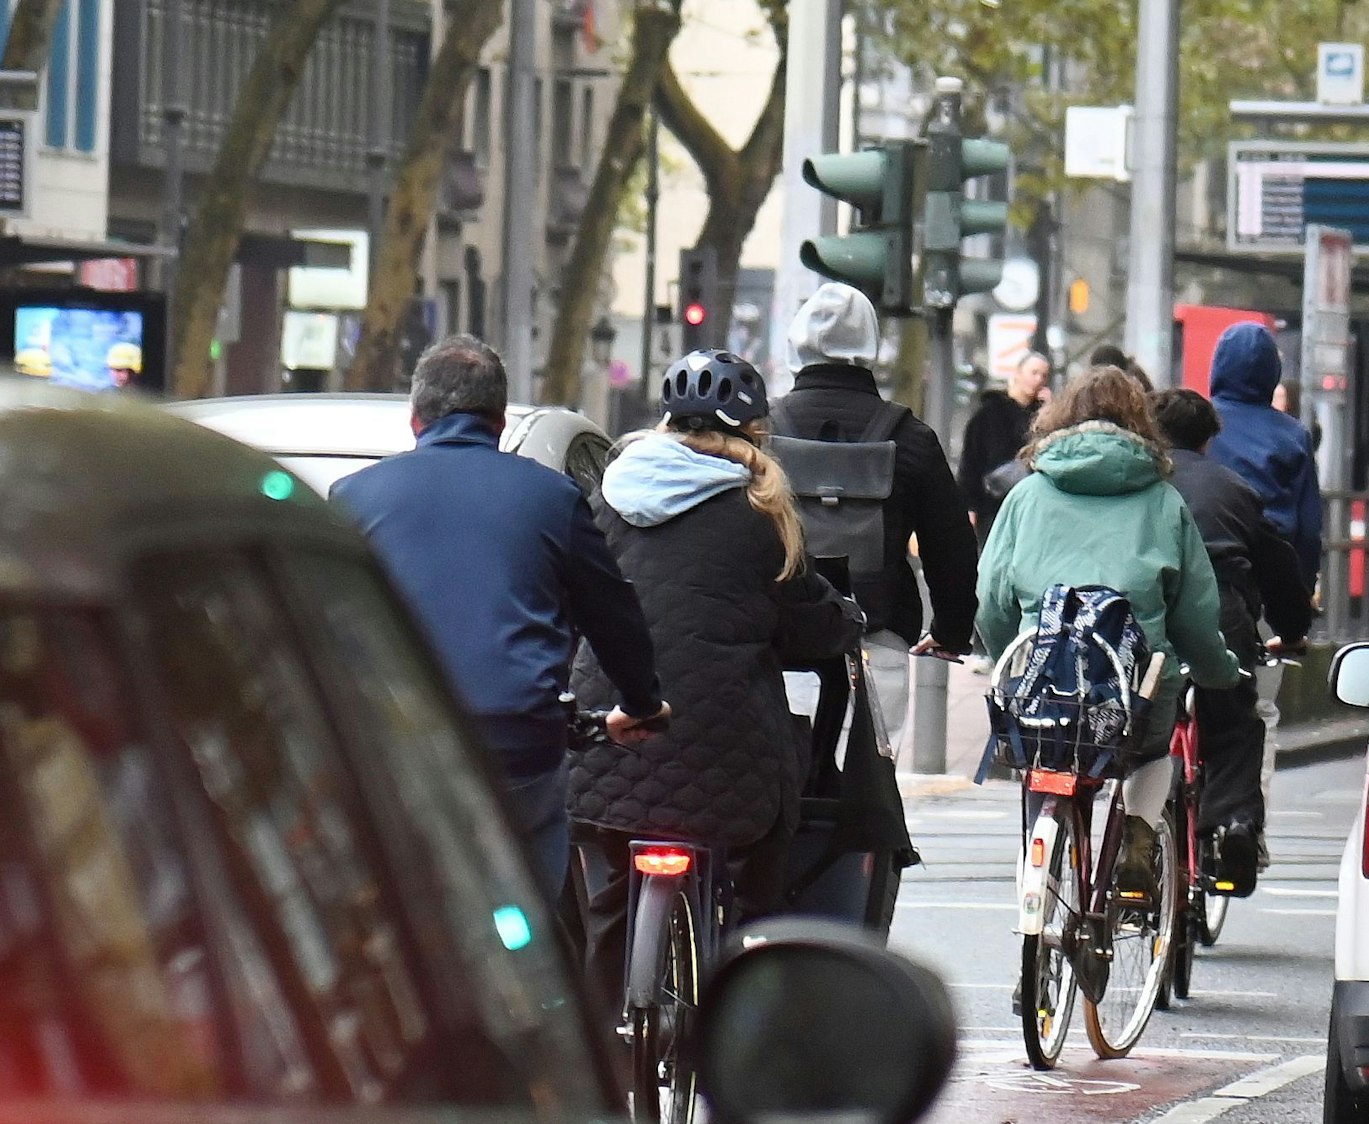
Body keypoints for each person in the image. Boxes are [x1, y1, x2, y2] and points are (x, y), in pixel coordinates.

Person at [568, 349, 864, 1009]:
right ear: (755, 434)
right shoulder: (759, 510)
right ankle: (745, 1020)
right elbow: (809, 623)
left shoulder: (605, 497)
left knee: (608, 896)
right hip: (725, 747)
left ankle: (596, 1061)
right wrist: (847, 620)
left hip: (611, 736)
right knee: (757, 877)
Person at [328, 335, 669, 898]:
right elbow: (613, 615)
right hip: (514, 741)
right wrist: (641, 702)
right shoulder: (550, 498)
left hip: (393, 740)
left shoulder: (351, 498)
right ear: (498, 422)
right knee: (528, 890)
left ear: (416, 421)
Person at [976, 366, 1241, 890]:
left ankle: (1041, 865)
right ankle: (1138, 842)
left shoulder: (1026, 496)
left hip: (1045, 678)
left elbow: (991, 599)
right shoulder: (1164, 502)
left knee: (1045, 752)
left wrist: (1013, 655)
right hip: (1133, 685)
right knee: (1149, 751)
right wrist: (1219, 672)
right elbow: (1193, 613)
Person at [774, 282, 978, 745]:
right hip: (876, 632)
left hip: (779, 638)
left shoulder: (762, 432)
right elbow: (950, 546)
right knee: (868, 782)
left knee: (783, 779)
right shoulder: (909, 436)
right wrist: (949, 630)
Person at [1151, 389, 1312, 891]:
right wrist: (1291, 630)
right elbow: (1278, 565)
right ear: (1208, 440)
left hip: (1150, 615)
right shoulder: (1234, 489)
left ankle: (1134, 833)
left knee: (1144, 722)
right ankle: (1234, 823)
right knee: (1235, 726)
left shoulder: (1139, 483)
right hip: (1225, 616)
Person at [1206, 322, 1323, 588]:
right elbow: (1308, 529)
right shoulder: (1294, 436)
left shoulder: (1200, 421)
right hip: (1271, 579)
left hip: (1207, 572)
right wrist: (1302, 588)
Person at [959, 352, 1050, 545]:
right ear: (1017, 373)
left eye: (1043, 375)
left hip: (1031, 506)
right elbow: (971, 460)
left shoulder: (1045, 417)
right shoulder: (988, 413)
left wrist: (1051, 408)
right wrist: (970, 506)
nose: (1038, 380)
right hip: (992, 505)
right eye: (1033, 372)